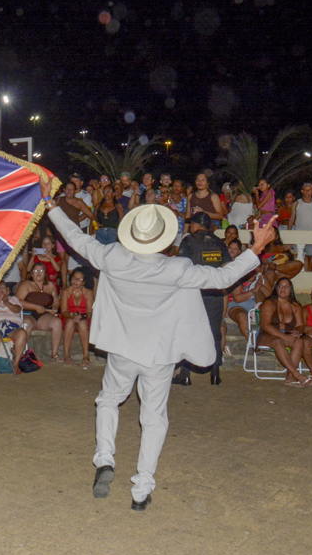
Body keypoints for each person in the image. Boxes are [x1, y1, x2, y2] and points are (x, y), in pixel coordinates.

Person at [43, 175, 276, 511]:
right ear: (163, 240)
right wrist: (256, 248)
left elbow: (75, 237)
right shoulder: (177, 268)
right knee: (154, 418)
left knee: (109, 400)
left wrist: (51, 205)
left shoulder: (113, 257)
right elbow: (224, 277)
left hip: (123, 349)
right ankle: (141, 489)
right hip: (159, 355)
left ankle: (105, 458)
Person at [174, 212, 232, 386]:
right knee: (215, 333)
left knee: (188, 331)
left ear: (196, 226)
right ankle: (215, 374)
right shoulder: (219, 242)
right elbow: (227, 267)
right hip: (214, 293)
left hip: (194, 293)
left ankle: (185, 375)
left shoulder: (189, 240)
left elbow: (180, 267)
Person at [257, 277, 312, 386]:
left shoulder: (295, 306)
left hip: (287, 335)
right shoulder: (269, 303)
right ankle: (297, 374)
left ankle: (290, 378)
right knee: (278, 342)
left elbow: (300, 325)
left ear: (291, 290)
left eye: (286, 287)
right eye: (280, 286)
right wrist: (285, 337)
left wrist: (298, 331)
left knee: (299, 341)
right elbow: (265, 325)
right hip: (267, 336)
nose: (283, 289)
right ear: (276, 288)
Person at [15, 262, 63, 362]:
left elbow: (56, 300)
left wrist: (54, 308)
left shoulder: (50, 286)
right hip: (28, 314)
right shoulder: (26, 284)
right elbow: (18, 301)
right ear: (32, 273)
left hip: (43, 315)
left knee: (57, 322)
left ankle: (54, 353)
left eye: (41, 270)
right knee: (27, 323)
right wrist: (35, 307)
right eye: (36, 271)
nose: (38, 273)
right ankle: (21, 353)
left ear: (45, 273)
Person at [60, 268, 94, 368]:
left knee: (82, 324)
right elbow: (64, 310)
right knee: (70, 322)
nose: (76, 281)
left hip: (84, 318)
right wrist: (72, 316)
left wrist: (81, 316)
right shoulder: (66, 292)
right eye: (75, 278)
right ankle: (66, 354)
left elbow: (90, 312)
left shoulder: (88, 292)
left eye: (79, 279)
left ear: (83, 282)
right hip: (68, 317)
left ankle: (86, 355)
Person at [288, 183, 312, 271]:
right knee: (299, 255)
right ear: (302, 191)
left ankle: (308, 274)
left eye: (309, 190)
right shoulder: (296, 203)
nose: (307, 192)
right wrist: (288, 233)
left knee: (310, 256)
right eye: (305, 190)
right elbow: (292, 218)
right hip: (299, 233)